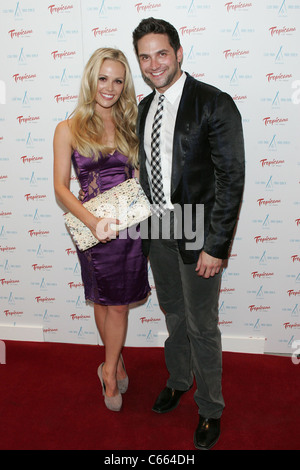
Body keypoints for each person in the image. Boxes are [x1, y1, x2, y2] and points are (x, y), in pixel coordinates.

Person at [132, 18, 245, 449]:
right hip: (158, 227)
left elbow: (231, 177)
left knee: (202, 324)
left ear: (179, 53)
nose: (154, 63)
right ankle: (179, 380)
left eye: (162, 53)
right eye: (145, 56)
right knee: (173, 314)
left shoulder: (214, 103)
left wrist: (216, 245)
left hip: (199, 227)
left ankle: (211, 407)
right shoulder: (145, 108)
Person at [53, 48, 150, 412]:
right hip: (93, 229)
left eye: (118, 80)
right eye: (104, 78)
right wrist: (94, 223)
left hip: (129, 230)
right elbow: (61, 187)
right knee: (104, 299)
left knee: (119, 305)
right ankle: (112, 369)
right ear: (92, 79)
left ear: (125, 86)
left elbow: (139, 176)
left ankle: (109, 364)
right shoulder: (68, 128)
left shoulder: (130, 123)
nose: (109, 87)